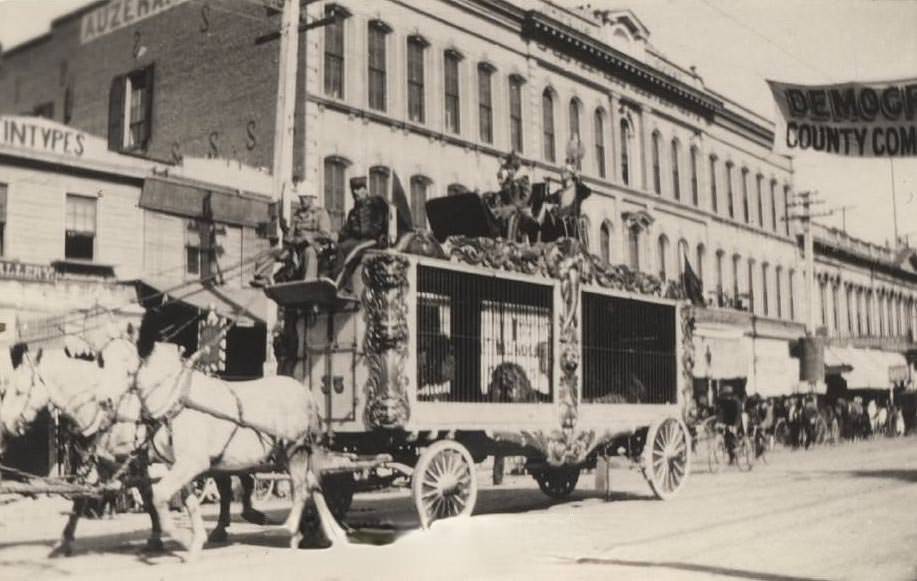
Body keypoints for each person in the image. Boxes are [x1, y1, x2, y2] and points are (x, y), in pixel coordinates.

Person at [332, 176, 389, 294]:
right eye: (353, 189)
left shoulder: (375, 205)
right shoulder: (353, 212)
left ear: (365, 190)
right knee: (339, 247)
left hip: (373, 240)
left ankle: (345, 288)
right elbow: (346, 230)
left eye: (358, 189)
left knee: (349, 251)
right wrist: (335, 236)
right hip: (358, 241)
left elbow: (379, 226)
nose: (355, 192)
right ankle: (336, 283)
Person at [716, 385, 742, 463]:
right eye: (725, 395)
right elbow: (721, 413)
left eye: (727, 395)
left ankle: (735, 452)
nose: (726, 397)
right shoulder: (724, 402)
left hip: (736, 422)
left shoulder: (736, 401)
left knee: (733, 439)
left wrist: (735, 425)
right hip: (727, 422)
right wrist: (719, 422)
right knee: (727, 440)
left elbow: (738, 414)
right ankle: (731, 457)